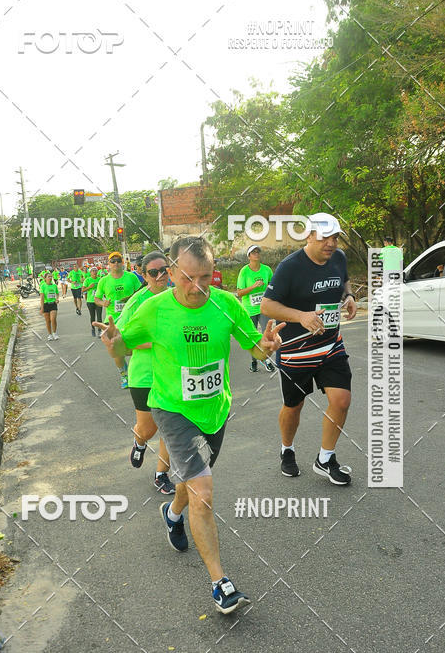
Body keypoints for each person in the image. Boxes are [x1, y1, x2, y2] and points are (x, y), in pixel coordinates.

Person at [96, 236, 285, 614]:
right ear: (171, 273)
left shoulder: (226, 303)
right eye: (187, 278)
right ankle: (221, 584)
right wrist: (113, 343)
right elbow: (123, 347)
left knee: (189, 482)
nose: (197, 287)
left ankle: (172, 514)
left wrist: (266, 345)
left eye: (205, 277)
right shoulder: (153, 310)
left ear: (213, 274)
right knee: (203, 490)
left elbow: (255, 348)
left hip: (215, 411)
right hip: (172, 410)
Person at [261, 213, 357, 484]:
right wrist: (301, 316)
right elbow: (267, 306)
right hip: (296, 351)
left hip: (330, 346)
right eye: (324, 236)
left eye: (335, 237)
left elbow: (344, 279)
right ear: (309, 235)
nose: (331, 243)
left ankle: (325, 459)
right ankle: (287, 449)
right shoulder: (290, 266)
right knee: (294, 406)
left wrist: (348, 296)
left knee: (342, 401)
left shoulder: (338, 258)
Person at [113, 251, 175, 495]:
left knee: (170, 427)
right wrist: (156, 344)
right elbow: (121, 339)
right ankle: (139, 441)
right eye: (153, 272)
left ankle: (161, 474)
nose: (160, 276)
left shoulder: (178, 297)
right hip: (144, 375)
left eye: (164, 270)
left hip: (171, 374)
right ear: (144, 275)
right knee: (148, 429)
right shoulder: (137, 302)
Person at [94, 252, 141, 388]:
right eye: (113, 261)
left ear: (122, 262)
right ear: (108, 264)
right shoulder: (104, 281)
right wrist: (103, 303)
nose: (116, 263)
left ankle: (134, 372)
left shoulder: (131, 277)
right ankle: (124, 375)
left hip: (132, 318)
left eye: (118, 261)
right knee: (117, 352)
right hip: (113, 321)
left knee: (133, 349)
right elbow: (96, 298)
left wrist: (131, 300)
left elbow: (140, 292)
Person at [236, 245, 274, 373]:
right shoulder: (244, 271)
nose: (256, 254)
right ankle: (254, 361)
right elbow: (240, 293)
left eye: (258, 252)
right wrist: (254, 286)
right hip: (249, 310)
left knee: (266, 334)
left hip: (264, 308)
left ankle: (267, 360)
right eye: (253, 252)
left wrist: (268, 288)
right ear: (249, 256)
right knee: (252, 337)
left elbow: (273, 286)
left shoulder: (266, 270)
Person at [39, 270, 59, 341]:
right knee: (48, 321)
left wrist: (57, 299)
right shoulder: (43, 286)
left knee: (53, 319)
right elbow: (42, 297)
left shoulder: (54, 285)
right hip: (46, 304)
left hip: (53, 304)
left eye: (51, 276)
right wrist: (42, 308)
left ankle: (54, 333)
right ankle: (50, 335)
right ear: (45, 278)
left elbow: (57, 293)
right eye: (48, 276)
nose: (50, 278)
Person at [82, 267, 102, 337]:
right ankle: (93, 329)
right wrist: (89, 287)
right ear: (90, 272)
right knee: (92, 316)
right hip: (90, 301)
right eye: (93, 271)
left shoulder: (100, 280)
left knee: (99, 316)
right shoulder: (87, 280)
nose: (94, 272)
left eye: (95, 270)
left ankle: (100, 331)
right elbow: (83, 290)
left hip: (99, 300)